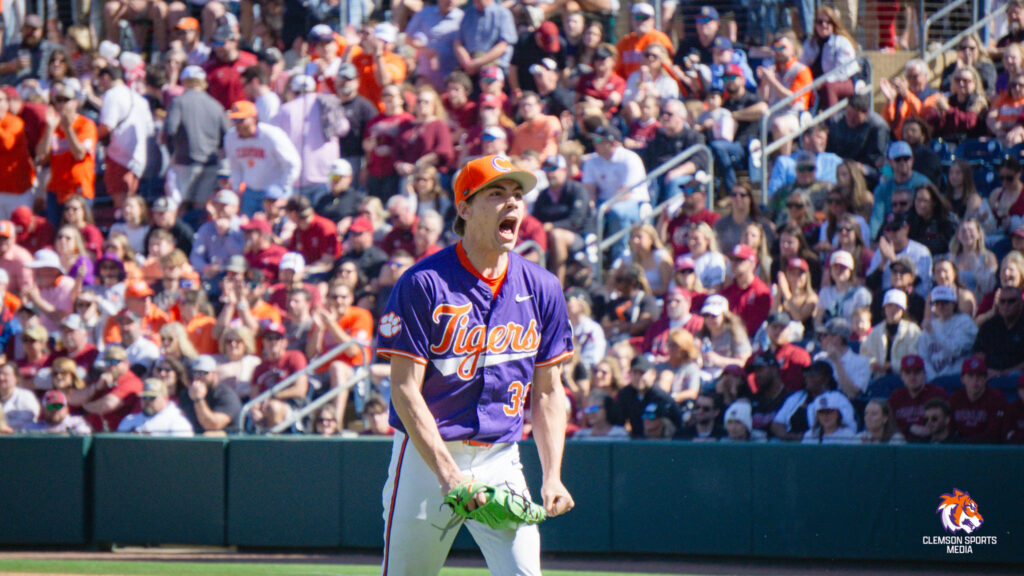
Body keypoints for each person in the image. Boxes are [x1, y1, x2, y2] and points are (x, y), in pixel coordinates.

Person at [375, 154, 574, 575]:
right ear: (464, 208)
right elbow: (404, 389)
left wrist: (552, 475)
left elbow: (550, 390)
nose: (513, 204)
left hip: (501, 457)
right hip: (427, 459)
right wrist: (447, 474)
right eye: (496, 194)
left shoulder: (542, 286)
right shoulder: (423, 283)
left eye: (518, 195)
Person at [164, 65, 228, 210]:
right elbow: (226, 135)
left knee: (181, 207)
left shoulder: (178, 102)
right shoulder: (216, 105)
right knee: (202, 207)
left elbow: (170, 130)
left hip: (185, 162)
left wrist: (172, 154)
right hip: (210, 163)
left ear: (184, 81)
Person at [223, 101, 301, 217]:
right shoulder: (230, 138)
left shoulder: (272, 135)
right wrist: (236, 190)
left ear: (254, 118)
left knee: (274, 227)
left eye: (241, 120)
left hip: (274, 191)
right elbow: (235, 167)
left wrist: (283, 190)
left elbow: (292, 163)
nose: (237, 124)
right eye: (234, 120)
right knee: (248, 229)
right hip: (250, 191)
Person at [801, 6, 859, 108]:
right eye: (820, 22)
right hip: (816, 83)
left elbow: (842, 72)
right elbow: (802, 65)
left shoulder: (842, 42)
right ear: (815, 24)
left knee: (828, 86)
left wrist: (821, 82)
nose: (824, 25)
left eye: (828, 22)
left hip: (843, 82)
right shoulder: (810, 43)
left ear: (834, 24)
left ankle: (833, 121)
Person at [919, 285, 979, 380]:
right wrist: (933, 378)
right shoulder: (931, 325)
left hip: (958, 379)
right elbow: (923, 357)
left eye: (945, 303)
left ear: (953, 304)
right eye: (937, 303)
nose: (940, 306)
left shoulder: (965, 322)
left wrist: (934, 334)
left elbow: (955, 349)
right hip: (934, 380)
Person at [860, 289, 921, 378]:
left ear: (903, 309)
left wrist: (892, 365)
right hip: (881, 379)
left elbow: (915, 357)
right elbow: (865, 352)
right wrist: (872, 362)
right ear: (884, 308)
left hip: (906, 379)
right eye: (889, 306)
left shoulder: (913, 331)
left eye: (897, 306)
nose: (893, 310)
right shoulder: (876, 331)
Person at [888, 354, 949, 442]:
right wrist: (908, 427)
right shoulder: (896, 397)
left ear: (924, 374)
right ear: (901, 376)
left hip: (932, 442)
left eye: (916, 372)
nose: (912, 377)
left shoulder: (937, 393)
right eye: (908, 373)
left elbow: (947, 421)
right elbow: (888, 424)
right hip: (903, 444)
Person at [178, 354, 241, 434]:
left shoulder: (226, 395)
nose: (198, 377)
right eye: (195, 373)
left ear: (215, 374)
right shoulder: (187, 393)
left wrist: (198, 399)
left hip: (224, 441)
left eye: (203, 373)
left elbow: (212, 426)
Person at [950, 355, 1007, 443]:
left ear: (985, 379)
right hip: (960, 448)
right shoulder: (955, 398)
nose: (975, 380)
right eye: (970, 375)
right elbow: (950, 429)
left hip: (987, 449)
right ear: (962, 379)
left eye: (979, 376)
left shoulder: (996, 398)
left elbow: (994, 433)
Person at [720, 243, 773, 337]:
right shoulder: (727, 292)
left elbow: (757, 324)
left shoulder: (761, 291)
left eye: (740, 260)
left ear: (753, 264)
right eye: (733, 259)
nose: (734, 263)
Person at [814, 318, 871, 400]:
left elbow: (852, 393)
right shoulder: (820, 358)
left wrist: (837, 362)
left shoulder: (861, 362)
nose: (821, 339)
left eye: (825, 335)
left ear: (838, 338)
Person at [972, 285, 1024, 376]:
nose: (1006, 305)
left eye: (1011, 301)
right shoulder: (989, 326)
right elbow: (979, 355)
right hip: (990, 377)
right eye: (1002, 301)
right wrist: (984, 371)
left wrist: (1003, 373)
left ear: (1021, 304)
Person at [117, 378, 195, 437]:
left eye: (152, 398)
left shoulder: (177, 422)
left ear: (165, 398)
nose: (147, 401)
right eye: (144, 397)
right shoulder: (129, 420)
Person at [22, 390, 92, 435]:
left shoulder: (77, 423)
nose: (55, 410)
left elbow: (84, 432)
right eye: (51, 407)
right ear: (43, 409)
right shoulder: (34, 427)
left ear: (66, 409)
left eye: (59, 406)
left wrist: (65, 434)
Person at [0, 361, 38, 431]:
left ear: (16, 378)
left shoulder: (26, 396)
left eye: (5, 374)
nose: (1, 377)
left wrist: (5, 426)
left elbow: (30, 418)